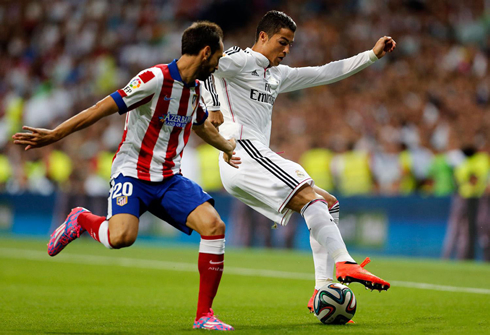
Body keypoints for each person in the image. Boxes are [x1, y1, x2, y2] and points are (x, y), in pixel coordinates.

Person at [13, 21, 238, 331]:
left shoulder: (196, 90)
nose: (218, 63)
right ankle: (80, 219)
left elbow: (200, 125)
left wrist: (226, 146)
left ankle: (204, 316)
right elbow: (100, 108)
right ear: (205, 52)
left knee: (214, 225)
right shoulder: (153, 79)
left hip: (170, 178)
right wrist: (55, 134)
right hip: (132, 173)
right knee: (121, 238)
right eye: (218, 56)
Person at [201, 10, 396, 314]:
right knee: (307, 191)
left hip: (251, 158)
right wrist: (213, 109)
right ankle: (346, 262)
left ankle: (322, 286)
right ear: (262, 36)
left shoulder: (277, 76)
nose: (287, 49)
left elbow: (325, 72)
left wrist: (370, 55)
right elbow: (206, 63)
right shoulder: (240, 60)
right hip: (239, 150)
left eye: (290, 44)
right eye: (282, 41)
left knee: (328, 203)